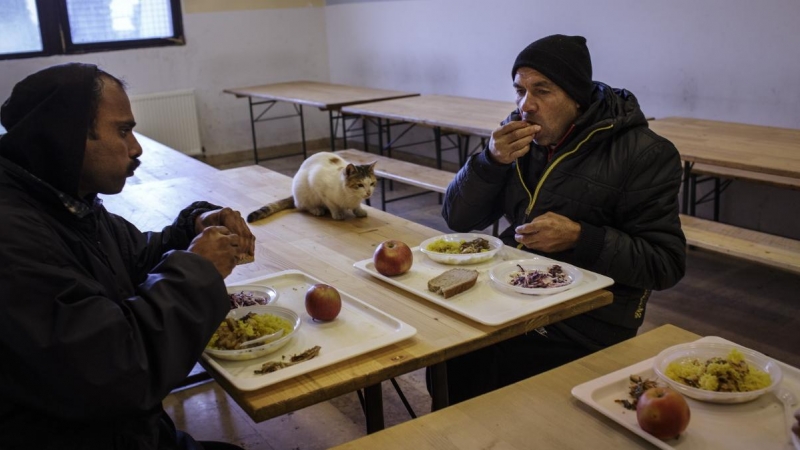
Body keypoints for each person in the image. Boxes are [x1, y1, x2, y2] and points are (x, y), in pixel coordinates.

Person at [0, 63, 254, 449]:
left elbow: (134, 259)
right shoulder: (13, 236)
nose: (136, 148)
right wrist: (198, 268)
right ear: (65, 136)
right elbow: (115, 368)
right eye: (123, 130)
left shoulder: (64, 201)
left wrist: (195, 225)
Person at [438, 35, 687, 403]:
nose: (527, 105)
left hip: (592, 314)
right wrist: (489, 161)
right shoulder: (514, 138)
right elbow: (457, 217)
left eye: (543, 90)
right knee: (449, 345)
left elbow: (665, 263)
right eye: (519, 90)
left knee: (491, 363)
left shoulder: (645, 154)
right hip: (515, 285)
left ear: (576, 97)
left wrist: (581, 238)